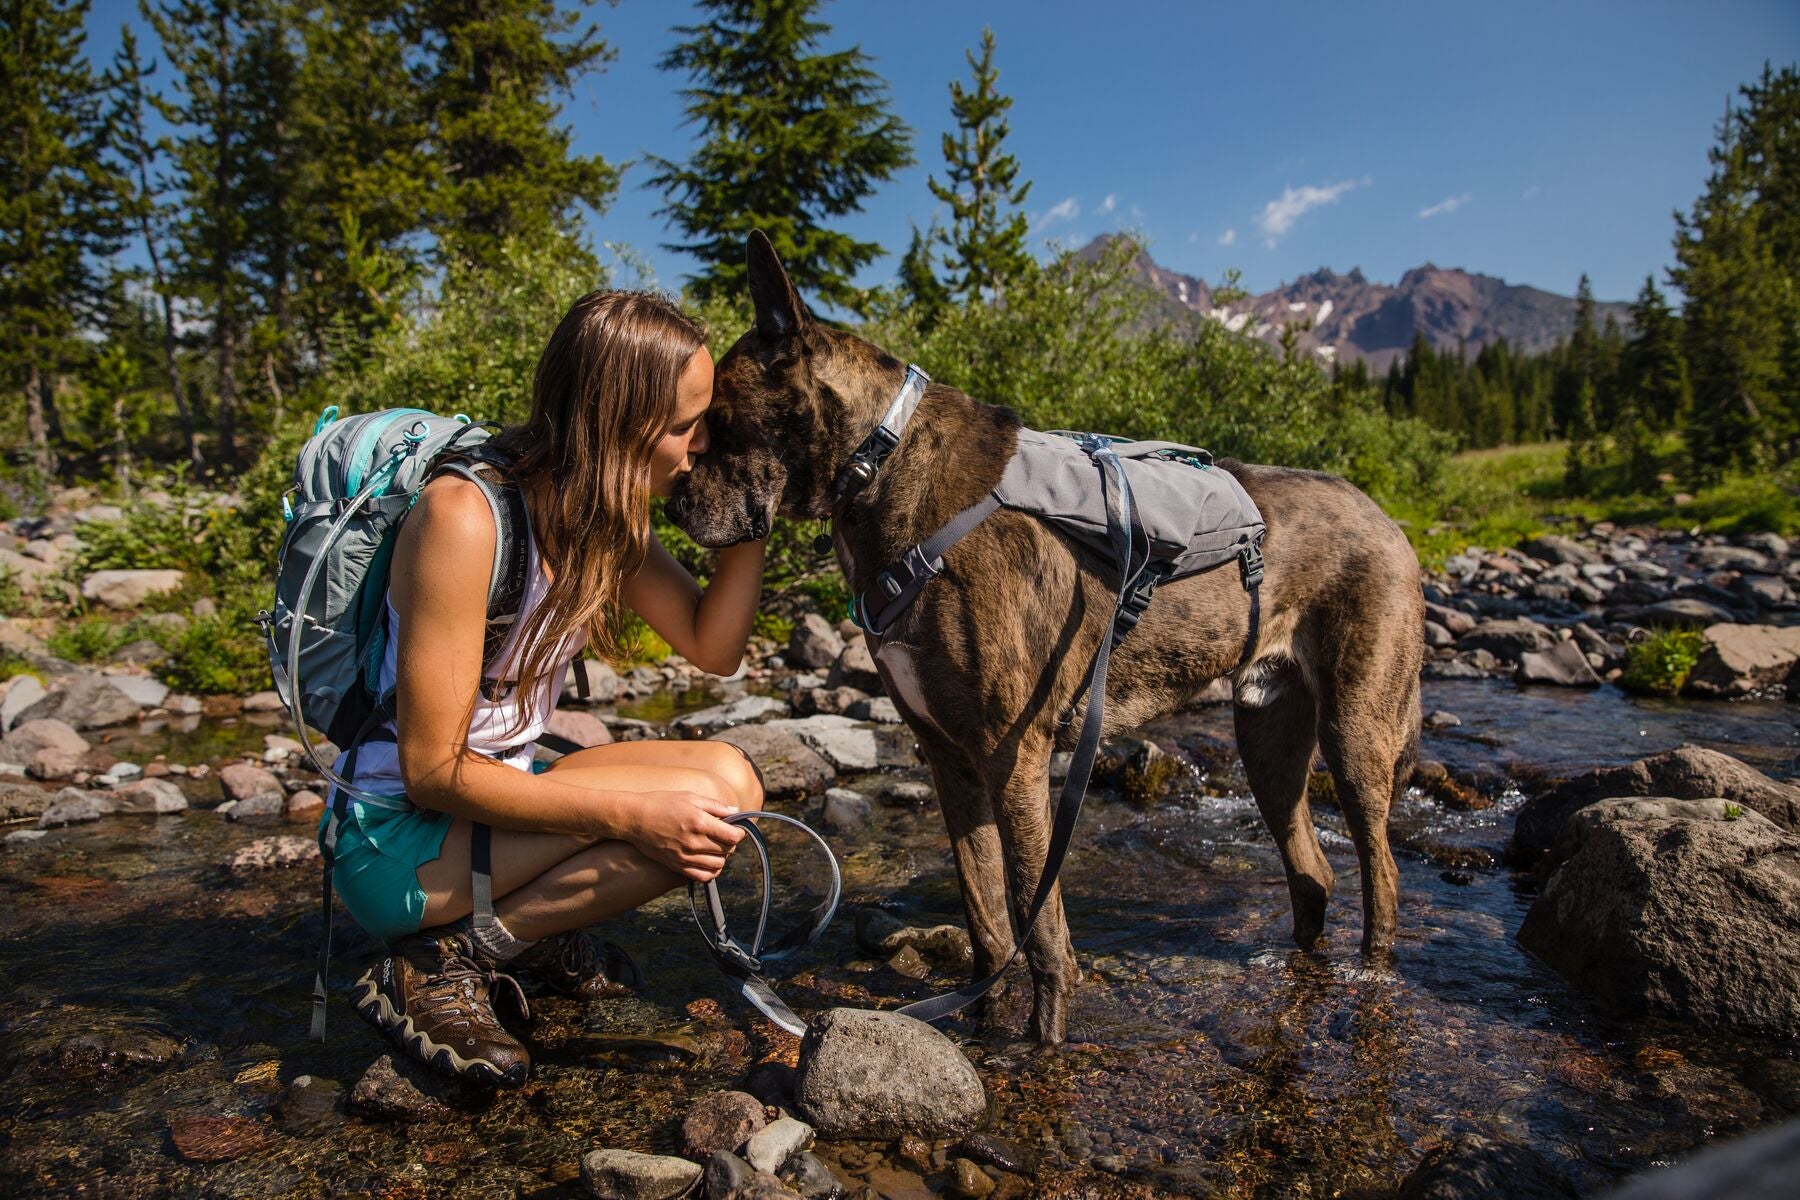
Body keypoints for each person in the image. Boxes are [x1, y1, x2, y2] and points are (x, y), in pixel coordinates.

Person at [324, 290, 768, 1088]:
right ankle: (446, 956)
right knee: (689, 820)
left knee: (731, 784)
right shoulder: (465, 519)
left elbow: (713, 646)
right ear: (619, 424)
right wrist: (635, 814)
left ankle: (519, 928)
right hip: (400, 842)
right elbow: (432, 771)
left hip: (498, 798)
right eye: (684, 426)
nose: (700, 444)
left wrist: (751, 508)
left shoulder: (600, 514)